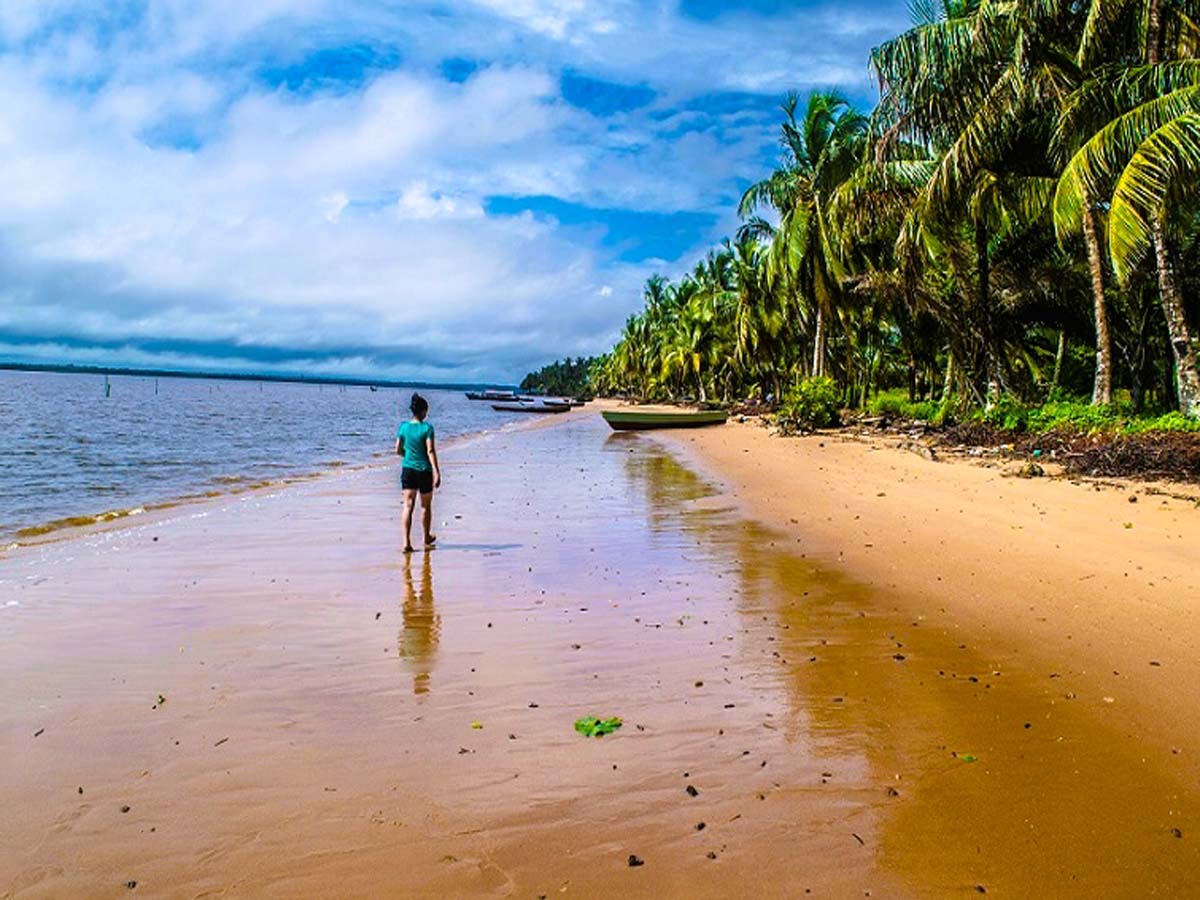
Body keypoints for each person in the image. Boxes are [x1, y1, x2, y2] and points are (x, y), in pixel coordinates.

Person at [395, 393, 441, 553]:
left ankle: (406, 543)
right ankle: (426, 536)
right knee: (425, 506)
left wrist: (407, 456)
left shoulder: (403, 427)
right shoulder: (427, 428)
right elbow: (430, 450)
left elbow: (398, 449)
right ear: (423, 411)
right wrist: (437, 472)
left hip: (408, 470)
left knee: (408, 506)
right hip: (424, 471)